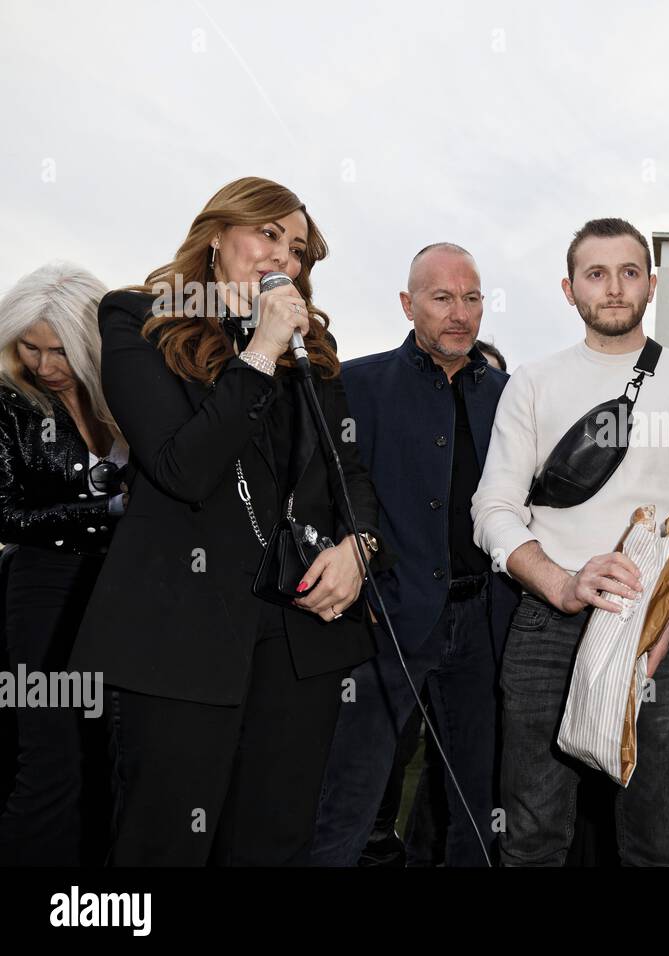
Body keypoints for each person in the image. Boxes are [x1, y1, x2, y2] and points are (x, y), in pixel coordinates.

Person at [69, 176, 390, 866]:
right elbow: (182, 467)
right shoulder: (137, 319)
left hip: (299, 637)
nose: (285, 259)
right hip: (182, 637)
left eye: (299, 249)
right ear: (217, 238)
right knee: (161, 847)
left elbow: (349, 475)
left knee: (272, 844)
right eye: (268, 235)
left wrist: (360, 546)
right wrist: (261, 349)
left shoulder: (315, 356)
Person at [473, 217, 669, 866]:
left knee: (653, 841)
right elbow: (493, 510)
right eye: (596, 274)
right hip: (547, 625)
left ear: (652, 284)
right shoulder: (531, 384)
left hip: (657, 632)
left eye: (628, 273)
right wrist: (562, 583)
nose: (613, 288)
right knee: (532, 837)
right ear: (569, 290)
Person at [313, 243, 516, 867]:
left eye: (472, 298)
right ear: (408, 305)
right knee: (348, 797)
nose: (460, 313)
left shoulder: (514, 397)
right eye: (442, 297)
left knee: (479, 806)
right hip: (383, 622)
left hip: (485, 624)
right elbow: (322, 496)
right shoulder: (355, 384)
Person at [0, 263, 125, 865]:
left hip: (122, 589)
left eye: (60, 351)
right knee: (51, 762)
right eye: (31, 347)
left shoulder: (125, 398)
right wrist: (106, 508)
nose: (45, 365)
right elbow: (6, 517)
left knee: (112, 760)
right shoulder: (8, 401)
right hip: (44, 587)